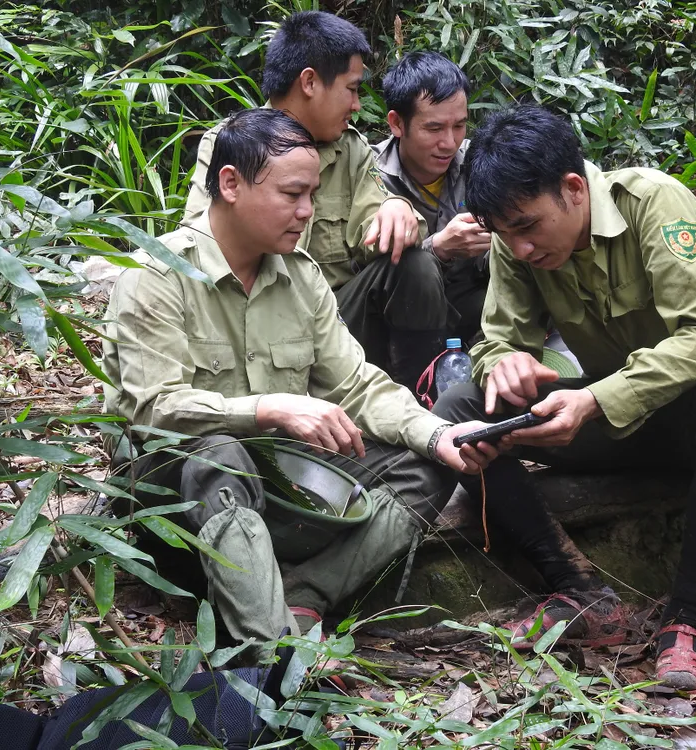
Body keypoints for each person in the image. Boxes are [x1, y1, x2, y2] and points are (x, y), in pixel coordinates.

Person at [104, 108, 496, 654]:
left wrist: (436, 434)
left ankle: (302, 595)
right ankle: (269, 652)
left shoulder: (302, 278)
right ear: (231, 184)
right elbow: (154, 410)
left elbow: (356, 385)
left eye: (312, 194)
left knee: (427, 465)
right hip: (180, 501)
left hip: (280, 483)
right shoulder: (156, 278)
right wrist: (269, 408)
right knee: (218, 453)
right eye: (292, 194)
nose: (307, 211)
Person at [433, 105, 696, 690]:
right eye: (505, 233)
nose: (519, 247)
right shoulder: (514, 237)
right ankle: (579, 591)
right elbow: (496, 339)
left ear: (573, 189)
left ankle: (689, 620)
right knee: (462, 411)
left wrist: (595, 401)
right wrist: (504, 365)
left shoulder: (653, 205)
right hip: (621, 421)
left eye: (528, 227)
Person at [184, 12, 448, 391]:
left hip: (331, 321)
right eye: (352, 89)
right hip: (251, 321)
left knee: (415, 265)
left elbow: (376, 225)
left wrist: (397, 208)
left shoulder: (351, 149)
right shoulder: (230, 144)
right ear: (309, 82)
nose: (357, 104)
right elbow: (201, 245)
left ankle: (417, 394)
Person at [373, 52, 490, 346]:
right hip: (390, 324)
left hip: (468, 308)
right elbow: (362, 273)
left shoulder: (480, 162)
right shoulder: (368, 175)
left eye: (459, 126)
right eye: (434, 128)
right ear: (397, 123)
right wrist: (437, 248)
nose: (449, 143)